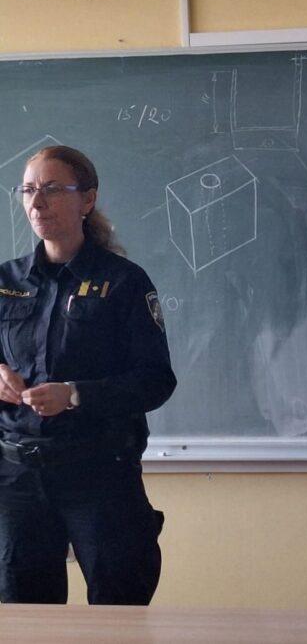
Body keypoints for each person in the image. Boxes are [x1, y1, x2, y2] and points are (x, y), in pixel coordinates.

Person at [0, 145, 176, 605]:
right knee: (24, 617)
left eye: (53, 189)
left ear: (88, 199)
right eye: (28, 190)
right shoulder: (6, 281)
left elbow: (155, 380)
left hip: (99, 473)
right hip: (18, 477)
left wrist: (75, 394)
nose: (37, 202)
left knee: (119, 607)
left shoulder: (124, 282)